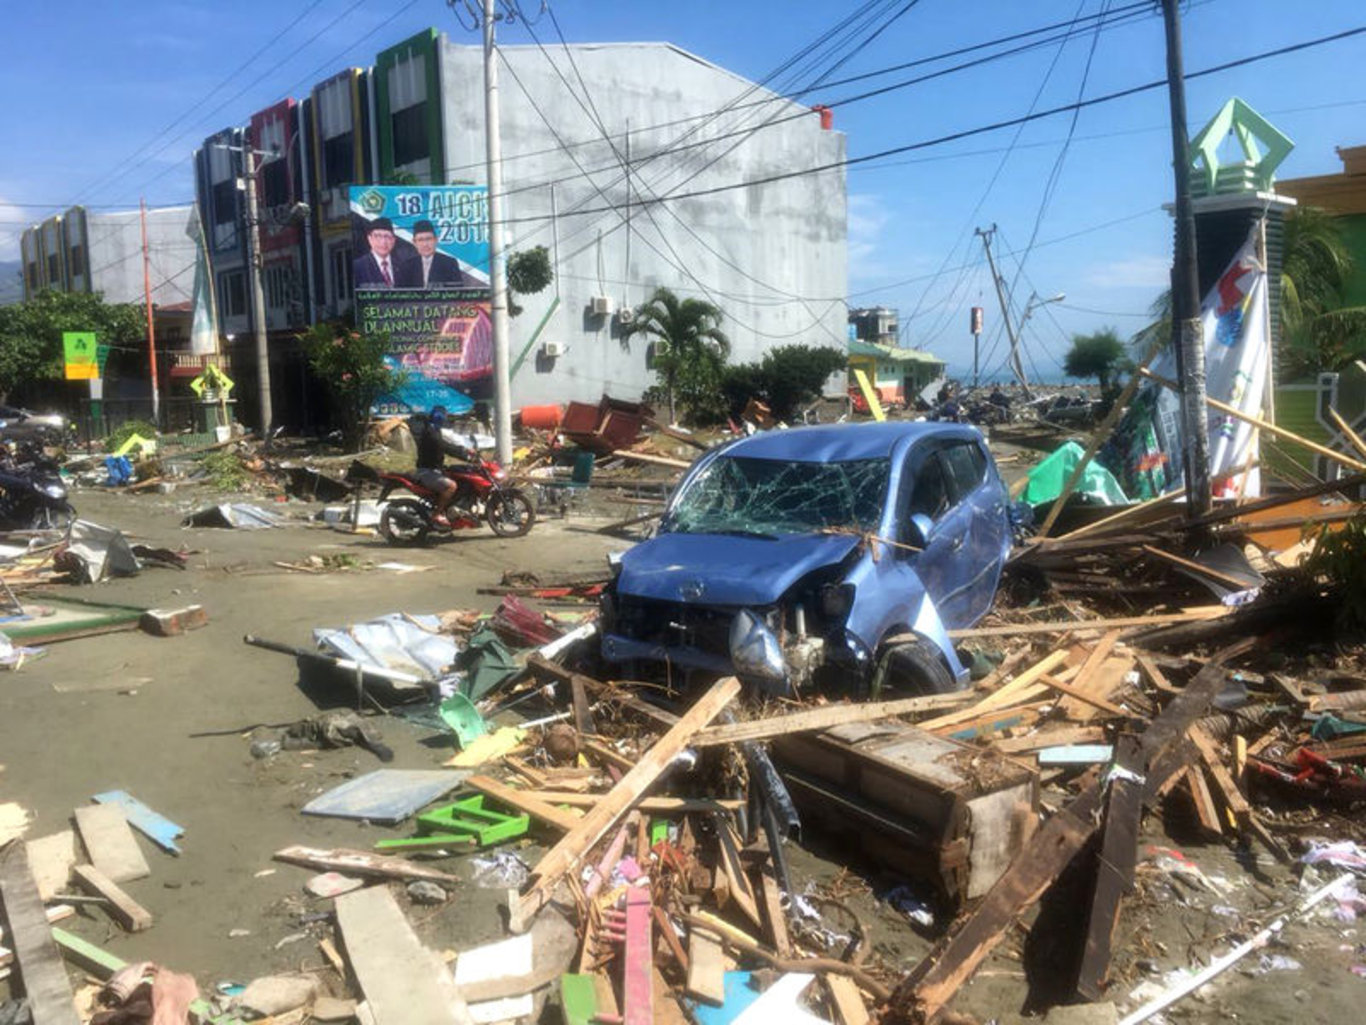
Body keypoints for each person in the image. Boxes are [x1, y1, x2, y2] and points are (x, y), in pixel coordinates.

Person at [411, 405, 474, 528]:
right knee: (451, 486)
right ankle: (437, 514)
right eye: (443, 416)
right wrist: (464, 454)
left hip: (435, 469)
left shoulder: (435, 430)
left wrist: (466, 451)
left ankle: (452, 510)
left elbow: (446, 444)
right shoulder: (430, 432)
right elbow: (444, 447)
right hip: (426, 471)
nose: (445, 418)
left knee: (460, 475)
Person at [410, 219, 479, 288]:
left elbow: (457, 291)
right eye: (420, 240)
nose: (425, 244)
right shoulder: (407, 266)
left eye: (428, 239)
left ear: (436, 240)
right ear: (414, 243)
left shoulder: (449, 263)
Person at [353, 218, 412, 288]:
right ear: (369, 238)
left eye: (387, 236)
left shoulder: (403, 267)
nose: (383, 242)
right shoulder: (357, 267)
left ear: (393, 240)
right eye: (378, 236)